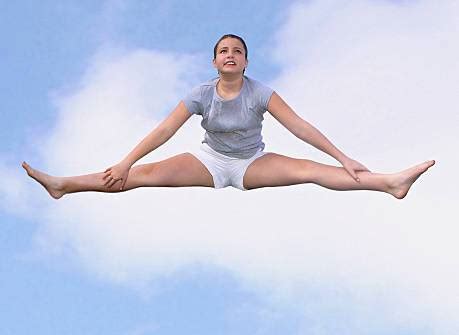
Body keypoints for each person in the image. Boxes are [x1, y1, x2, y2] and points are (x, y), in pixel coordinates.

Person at [22, 33, 434, 199]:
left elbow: (299, 126)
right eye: (224, 51)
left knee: (312, 168)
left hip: (253, 161)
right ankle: (63, 185)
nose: (230, 55)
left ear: (246, 60)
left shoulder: (261, 93)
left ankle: (389, 183)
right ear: (215, 61)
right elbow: (165, 129)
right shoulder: (202, 94)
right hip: (210, 160)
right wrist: (127, 160)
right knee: (140, 175)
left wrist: (344, 156)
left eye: (237, 51)